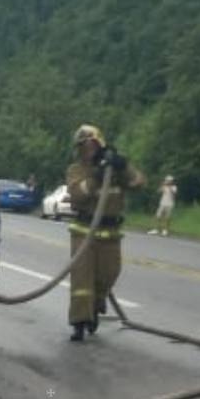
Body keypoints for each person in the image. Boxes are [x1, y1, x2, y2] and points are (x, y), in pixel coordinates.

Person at [66, 124, 145, 341]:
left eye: (90, 144)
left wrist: (123, 166)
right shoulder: (77, 169)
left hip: (111, 232)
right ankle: (79, 323)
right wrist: (96, 177)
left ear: (99, 143)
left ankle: (95, 304)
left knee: (109, 274)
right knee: (82, 281)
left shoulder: (116, 168)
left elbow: (138, 182)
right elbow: (76, 194)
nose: (86, 149)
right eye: (82, 146)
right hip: (84, 231)